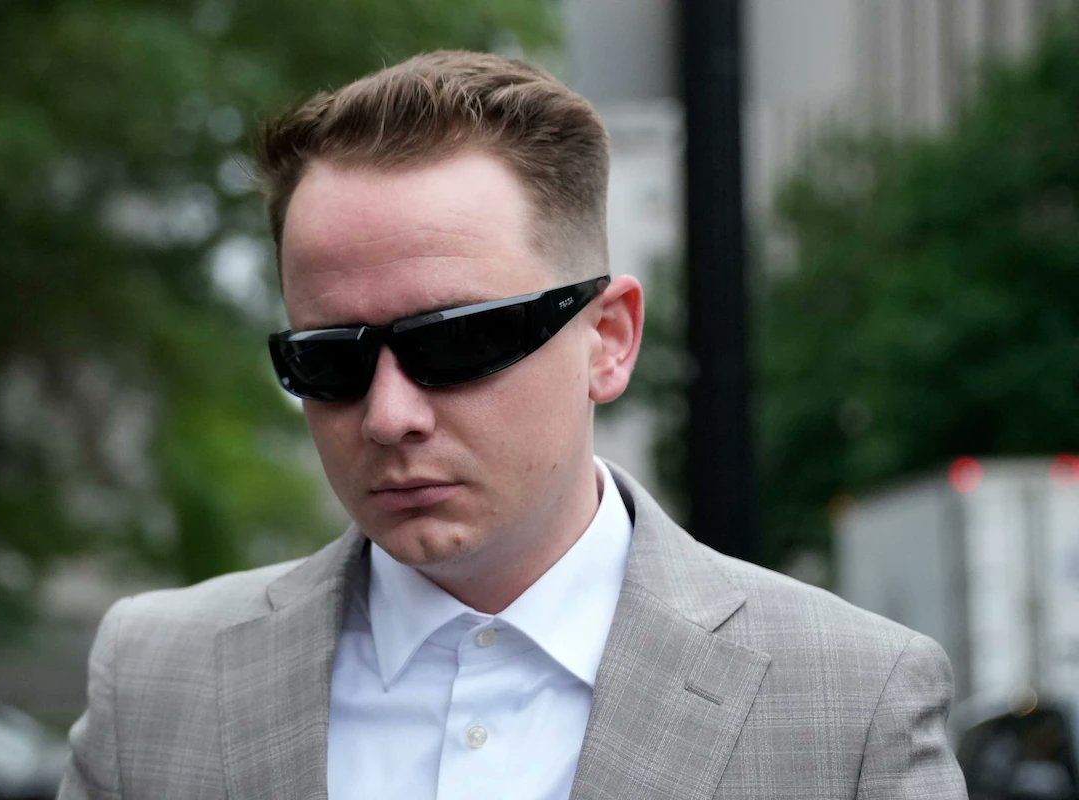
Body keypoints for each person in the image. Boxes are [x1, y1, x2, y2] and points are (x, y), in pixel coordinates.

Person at [58, 51, 966, 799]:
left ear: (608, 340)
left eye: (458, 341)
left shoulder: (852, 704)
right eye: (328, 360)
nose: (389, 416)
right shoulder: (152, 681)